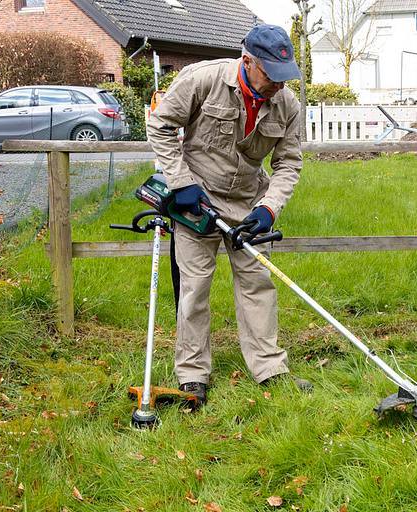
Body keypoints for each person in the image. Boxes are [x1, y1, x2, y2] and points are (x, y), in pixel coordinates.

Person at [147, 24, 311, 407]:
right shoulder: (203, 80)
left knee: (258, 283)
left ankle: (269, 368)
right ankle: (192, 374)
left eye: (285, 78)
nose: (279, 86)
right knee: (195, 287)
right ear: (248, 61)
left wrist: (268, 208)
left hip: (247, 199)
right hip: (196, 198)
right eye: (272, 76)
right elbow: (160, 125)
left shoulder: (287, 104)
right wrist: (179, 182)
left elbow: (288, 164)